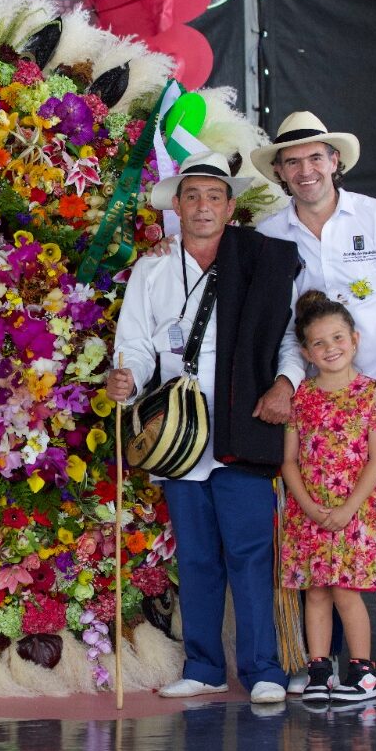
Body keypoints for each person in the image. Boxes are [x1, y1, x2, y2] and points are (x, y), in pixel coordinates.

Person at [106, 150, 305, 704]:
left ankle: (264, 669)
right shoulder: (152, 268)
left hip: (243, 419)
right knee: (194, 554)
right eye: (192, 195)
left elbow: (288, 337)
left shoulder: (261, 261)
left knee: (249, 550)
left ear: (231, 206)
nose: (202, 206)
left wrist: (285, 383)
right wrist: (127, 376)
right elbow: (138, 343)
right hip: (176, 429)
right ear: (177, 203)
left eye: (214, 196)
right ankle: (204, 666)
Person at [252, 112, 376, 697]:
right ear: (279, 171)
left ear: (335, 161)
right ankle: (319, 659)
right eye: (293, 160)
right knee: (317, 531)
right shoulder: (273, 234)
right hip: (319, 412)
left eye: (315, 157)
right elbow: (283, 329)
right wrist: (286, 381)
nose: (306, 170)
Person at [281, 290, 376, 705]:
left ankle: (362, 673)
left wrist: (346, 509)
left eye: (338, 338)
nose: (331, 349)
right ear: (307, 352)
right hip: (307, 511)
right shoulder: (301, 398)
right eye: (320, 343)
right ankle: (319, 669)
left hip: (355, 512)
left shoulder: (373, 396)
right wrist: (309, 506)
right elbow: (289, 461)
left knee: (347, 590)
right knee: (316, 591)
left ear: (356, 340)